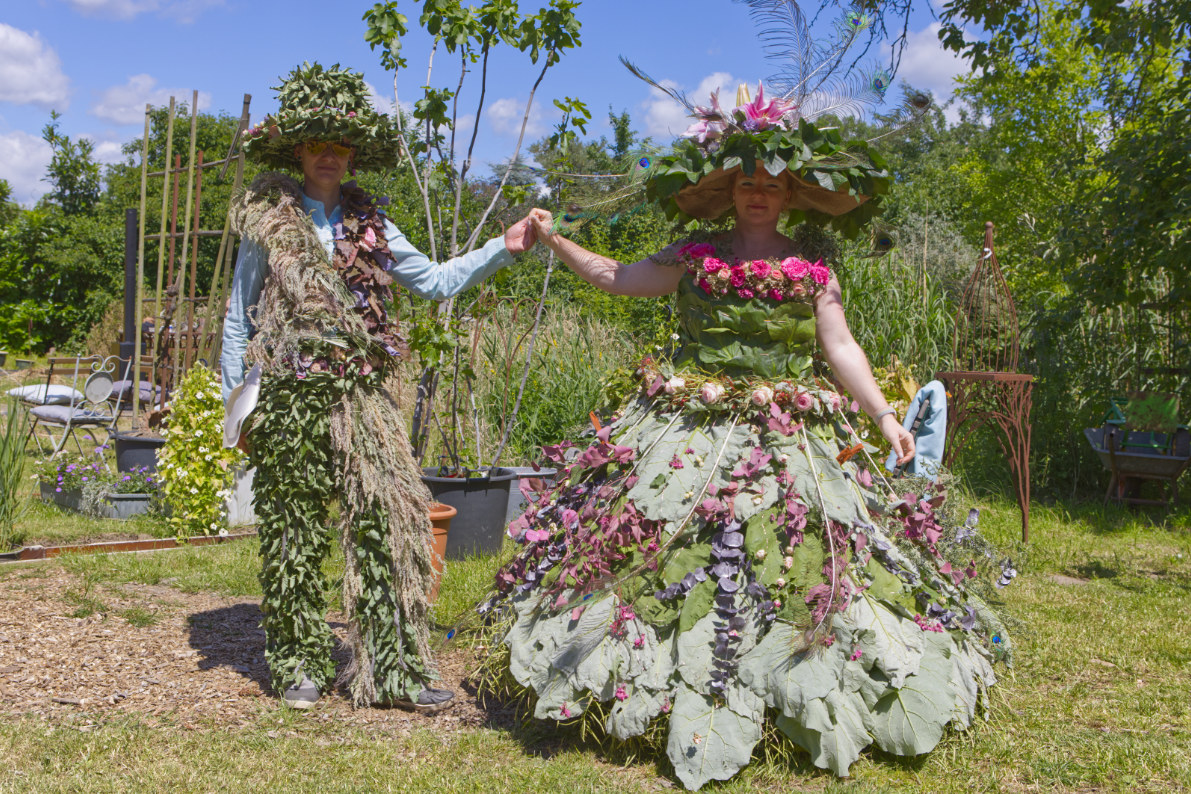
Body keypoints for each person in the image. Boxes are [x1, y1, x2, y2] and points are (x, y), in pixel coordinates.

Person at [481, 85, 1012, 789]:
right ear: (728, 191)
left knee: (804, 549)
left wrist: (884, 415)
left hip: (791, 429)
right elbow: (619, 279)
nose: (758, 195)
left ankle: (798, 674)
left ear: (790, 196)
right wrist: (553, 239)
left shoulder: (813, 269)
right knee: (655, 536)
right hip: (687, 425)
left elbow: (839, 345)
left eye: (771, 185)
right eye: (746, 184)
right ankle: (637, 669)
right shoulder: (693, 254)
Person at [220, 62, 539, 712]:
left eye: (340, 145)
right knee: (293, 531)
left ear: (353, 154)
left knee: (392, 519)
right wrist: (238, 413)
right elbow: (237, 317)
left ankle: (393, 669)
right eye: (316, 144)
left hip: (362, 395)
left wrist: (503, 247)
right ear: (297, 151)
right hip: (288, 395)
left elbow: (438, 281)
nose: (329, 156)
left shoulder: (374, 226)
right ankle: (299, 662)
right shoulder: (269, 223)